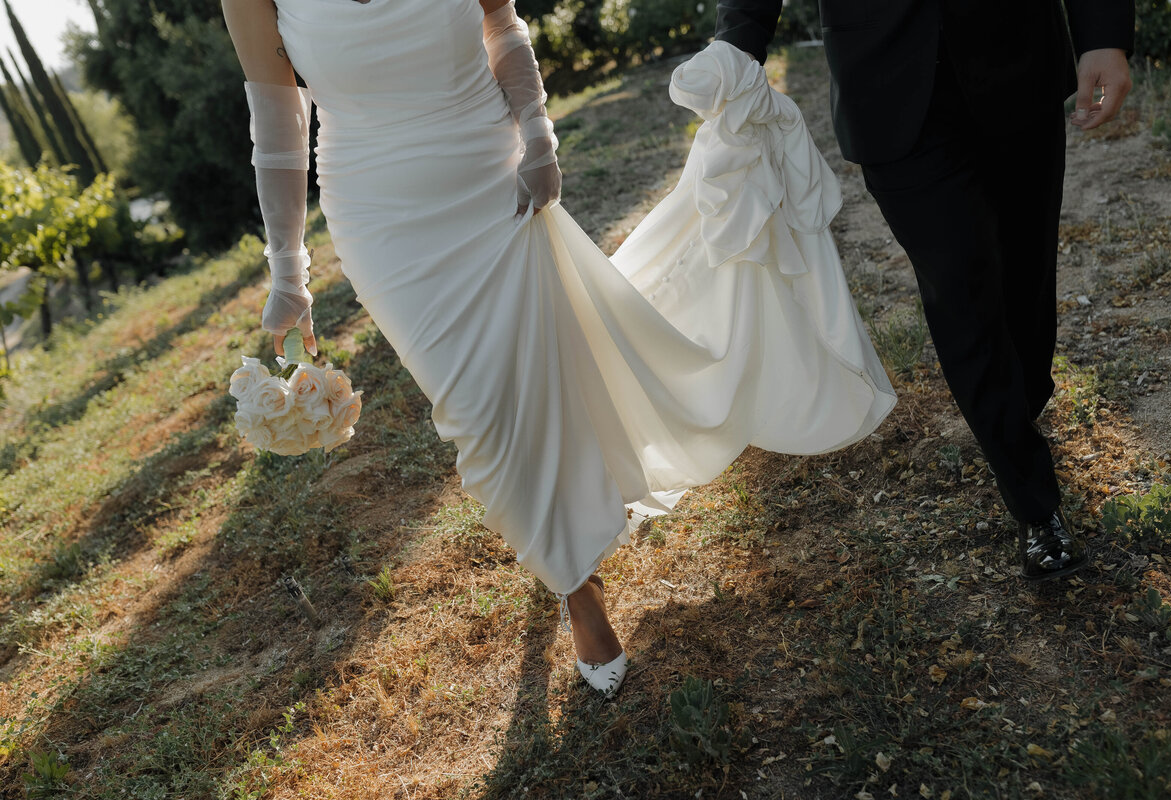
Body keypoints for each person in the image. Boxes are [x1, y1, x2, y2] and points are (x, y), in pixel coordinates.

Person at [221, 0, 896, 697]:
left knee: (545, 359)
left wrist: (537, 135)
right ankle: (577, 584)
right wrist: (288, 270)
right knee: (477, 408)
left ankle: (570, 559)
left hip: (489, 173)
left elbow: (500, 24)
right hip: (379, 217)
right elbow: (276, 114)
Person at [715, 0, 1135, 582]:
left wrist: (1104, 34)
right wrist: (737, 43)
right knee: (960, 289)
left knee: (1026, 280)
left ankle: (1020, 409)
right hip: (886, 79)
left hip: (1018, 53)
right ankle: (1035, 504)